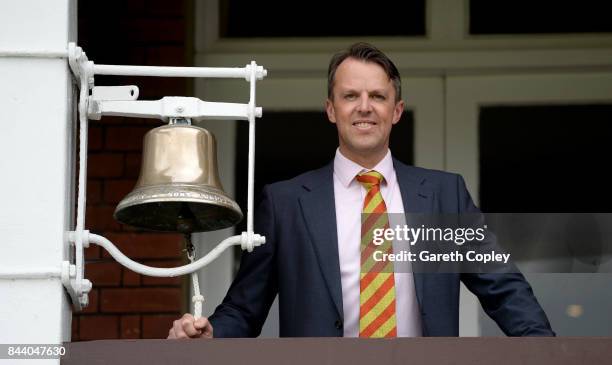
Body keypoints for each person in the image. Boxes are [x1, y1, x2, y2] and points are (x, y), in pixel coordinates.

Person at [167, 42, 554, 339]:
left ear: (396, 111)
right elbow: (244, 308)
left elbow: (502, 287)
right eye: (351, 96)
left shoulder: (442, 195)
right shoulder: (286, 202)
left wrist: (547, 349)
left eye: (378, 97)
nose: (364, 107)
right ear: (331, 109)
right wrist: (210, 333)